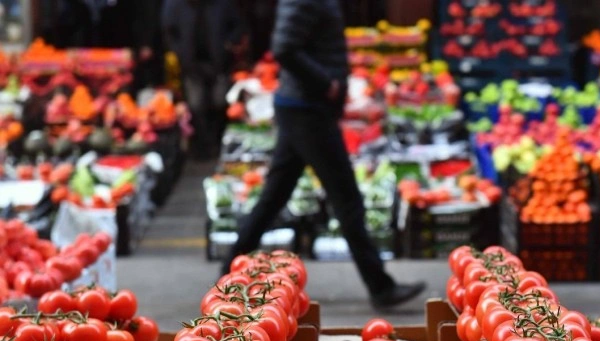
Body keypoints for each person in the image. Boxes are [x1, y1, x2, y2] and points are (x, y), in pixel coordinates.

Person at [222, 0, 426, 309]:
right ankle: (380, 286)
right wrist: (327, 83)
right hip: (307, 110)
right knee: (346, 197)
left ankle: (227, 274)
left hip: (303, 107)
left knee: (274, 197)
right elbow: (284, 48)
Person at [162, 0, 246, 161]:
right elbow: (168, 31)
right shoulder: (175, 4)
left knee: (220, 102)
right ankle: (201, 146)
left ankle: (218, 143)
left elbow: (238, 25)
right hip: (190, 64)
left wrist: (228, 44)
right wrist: (179, 52)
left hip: (219, 62)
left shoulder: (223, 4)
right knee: (196, 105)